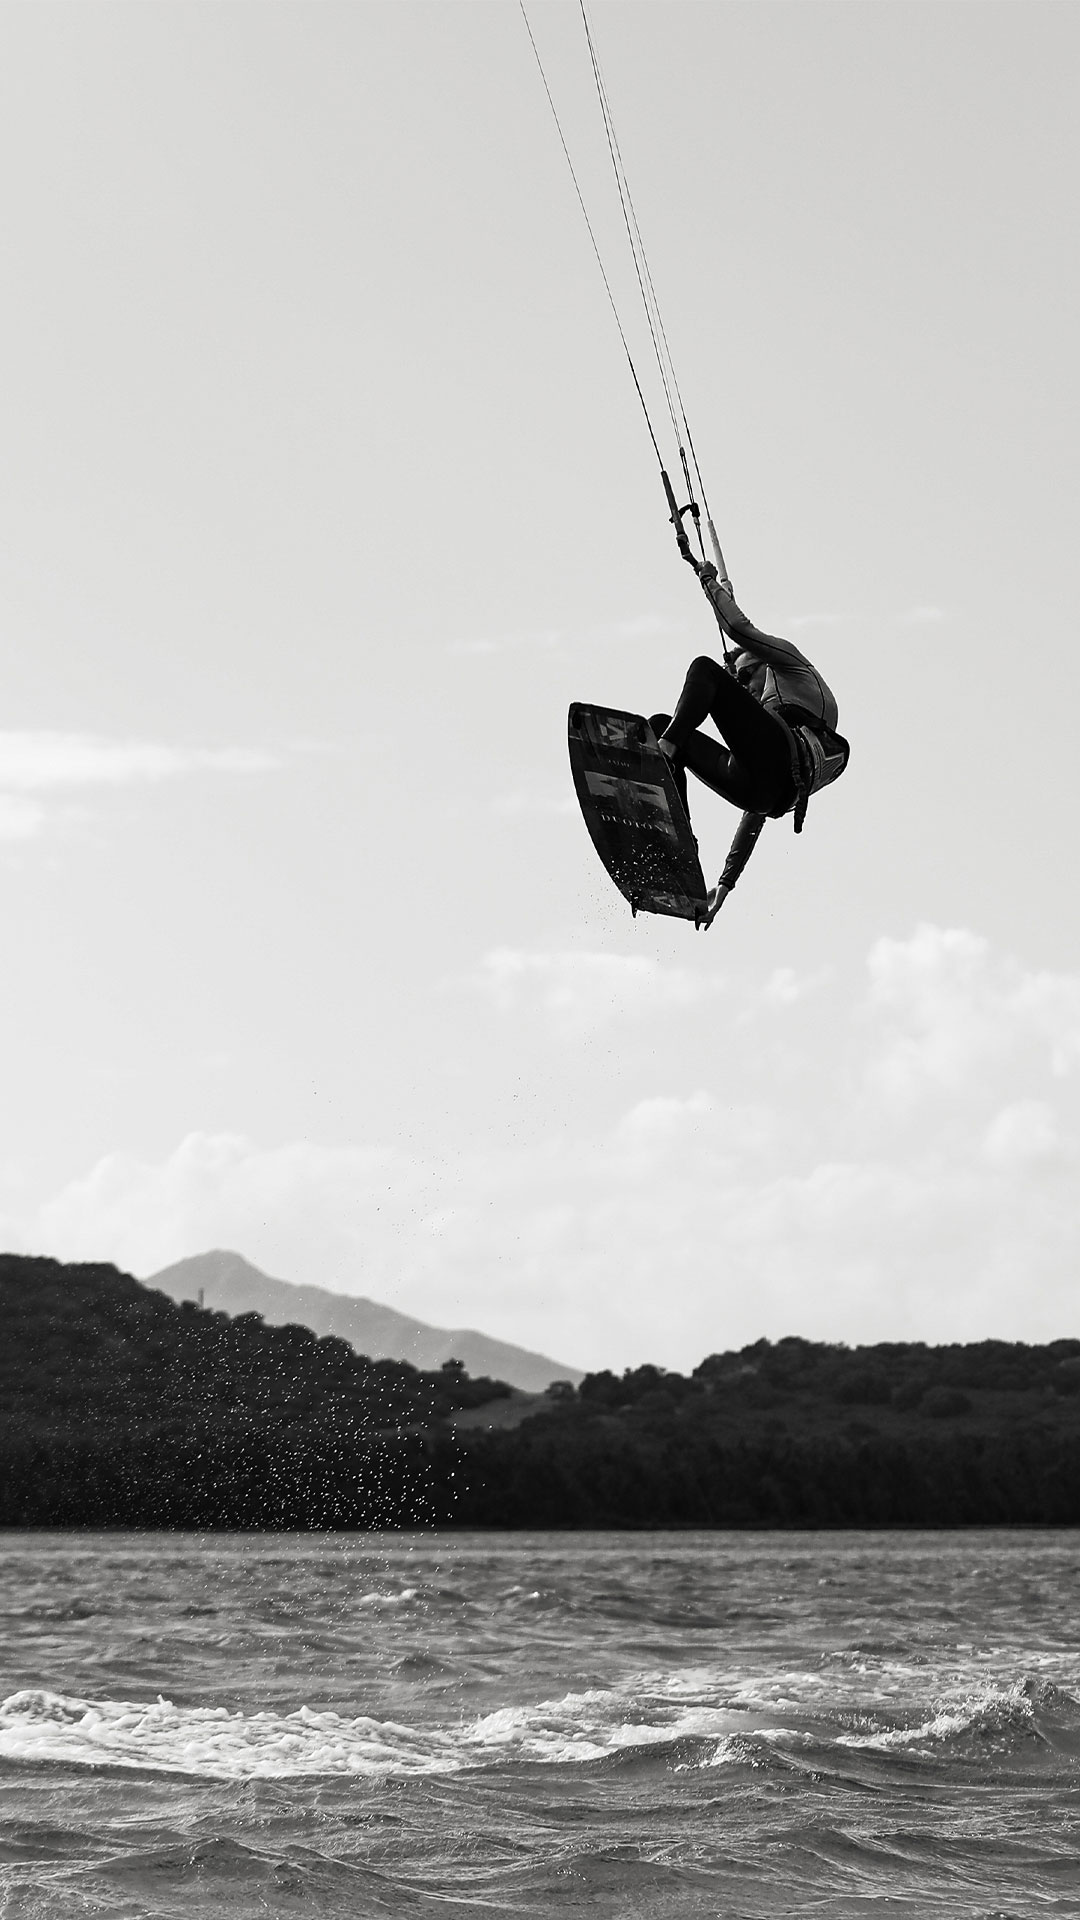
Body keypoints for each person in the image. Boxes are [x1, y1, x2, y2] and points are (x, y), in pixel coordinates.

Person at [649, 550, 849, 927]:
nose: (742, 688)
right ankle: (682, 848)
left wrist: (709, 582)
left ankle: (665, 751)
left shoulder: (793, 668)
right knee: (660, 725)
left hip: (781, 766)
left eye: (744, 678)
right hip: (761, 789)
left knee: (704, 671)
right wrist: (726, 883)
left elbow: (739, 631)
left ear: (764, 664)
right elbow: (755, 811)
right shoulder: (767, 723)